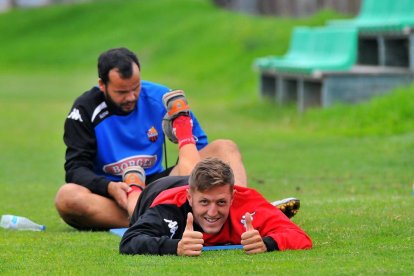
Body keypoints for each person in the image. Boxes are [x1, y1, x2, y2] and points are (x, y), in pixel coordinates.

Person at [54, 47, 249, 231]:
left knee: (225, 147)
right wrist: (110, 188)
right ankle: (160, 218)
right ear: (102, 85)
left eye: (136, 88)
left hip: (160, 186)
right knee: (67, 198)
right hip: (116, 195)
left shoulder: (162, 97)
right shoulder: (85, 110)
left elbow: (198, 148)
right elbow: (76, 169)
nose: (131, 96)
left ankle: (239, 211)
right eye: (122, 92)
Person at [119, 158, 312, 256]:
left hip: (196, 186)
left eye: (221, 202)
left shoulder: (248, 203)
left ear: (233, 196)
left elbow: (302, 238)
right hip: (154, 192)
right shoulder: (168, 208)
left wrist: (267, 244)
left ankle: (269, 215)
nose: (212, 212)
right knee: (132, 206)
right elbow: (129, 241)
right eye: (204, 202)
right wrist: (175, 246)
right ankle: (134, 183)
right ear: (190, 198)